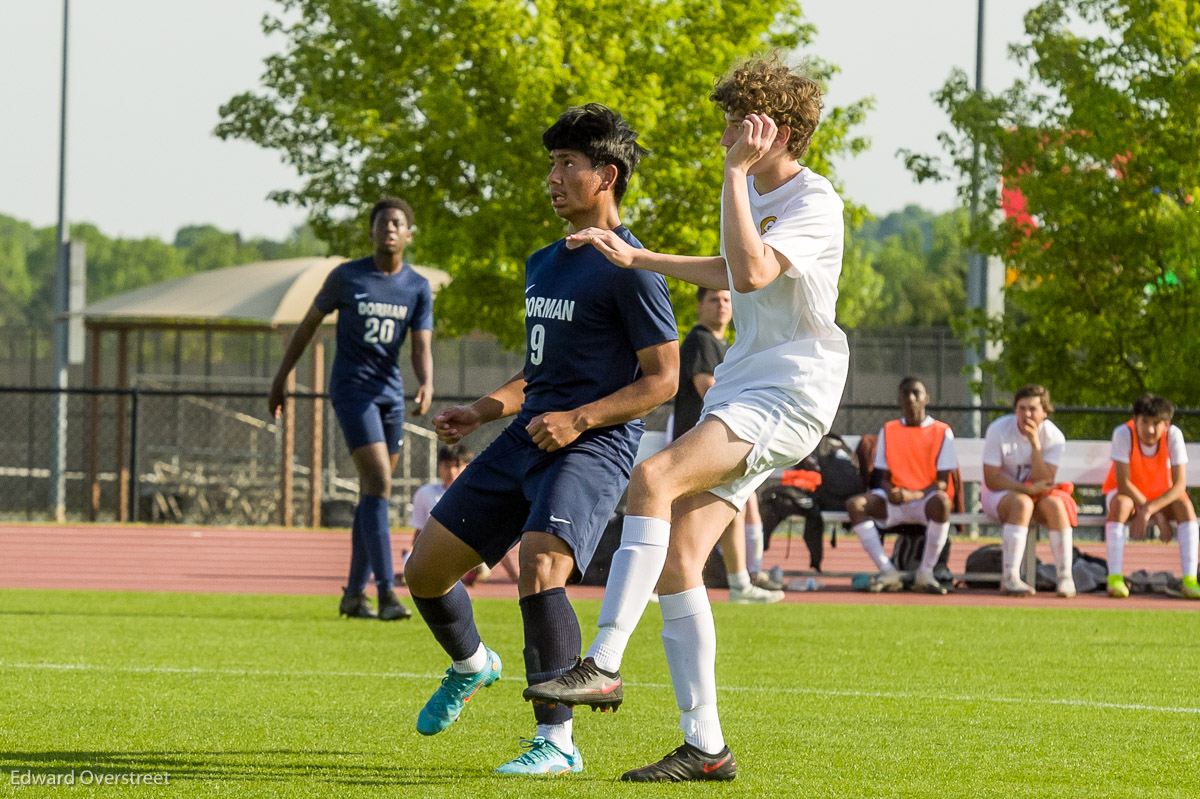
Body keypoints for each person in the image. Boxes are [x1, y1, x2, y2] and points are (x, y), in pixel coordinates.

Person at [525, 53, 849, 782]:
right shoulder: (755, 192)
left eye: (741, 120)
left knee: (653, 476)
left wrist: (735, 173)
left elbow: (757, 272)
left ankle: (603, 661)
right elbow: (731, 266)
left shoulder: (814, 199)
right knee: (677, 557)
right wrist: (635, 257)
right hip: (748, 381)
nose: (728, 132)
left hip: (790, 389)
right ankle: (706, 745)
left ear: (780, 130)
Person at [402, 104, 678, 776]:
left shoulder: (632, 266)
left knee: (540, 564)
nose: (552, 179)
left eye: (567, 165)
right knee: (425, 570)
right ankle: (473, 664)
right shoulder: (544, 263)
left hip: (592, 445)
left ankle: (556, 742)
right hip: (529, 435)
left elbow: (664, 378)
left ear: (605, 175)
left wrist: (580, 420)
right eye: (551, 165)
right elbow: (540, 374)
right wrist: (480, 409)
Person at [268, 196, 432, 622]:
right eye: (382, 222)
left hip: (390, 395)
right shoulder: (347, 277)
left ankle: (353, 594)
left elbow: (421, 345)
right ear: (372, 231)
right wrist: (281, 379)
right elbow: (306, 326)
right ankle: (387, 593)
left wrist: (426, 381)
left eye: (398, 222)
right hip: (352, 390)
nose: (390, 228)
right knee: (378, 480)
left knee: (372, 493)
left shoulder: (416, 286)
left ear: (409, 234)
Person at [675, 287, 782, 603]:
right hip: (701, 440)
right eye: (713, 299)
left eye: (726, 299)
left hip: (720, 440)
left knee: (733, 505)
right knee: (686, 516)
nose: (722, 305)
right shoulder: (700, 340)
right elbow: (707, 388)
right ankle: (659, 584)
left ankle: (739, 584)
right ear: (699, 306)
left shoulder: (728, 346)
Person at [845, 377, 956, 594]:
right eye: (905, 393)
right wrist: (891, 492)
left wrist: (914, 495)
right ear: (899, 400)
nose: (911, 398)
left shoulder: (943, 431)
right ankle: (888, 572)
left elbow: (942, 482)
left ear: (927, 399)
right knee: (855, 505)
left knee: (943, 503)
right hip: (895, 500)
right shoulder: (888, 429)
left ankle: (926, 573)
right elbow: (883, 477)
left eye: (916, 393)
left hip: (925, 500)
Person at [1102, 393, 1200, 599]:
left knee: (1185, 507)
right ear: (1134, 419)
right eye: (1144, 422)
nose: (1150, 429)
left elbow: (1179, 484)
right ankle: (1115, 578)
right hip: (1126, 495)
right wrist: (1156, 515)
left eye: (1156, 423)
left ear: (1167, 423)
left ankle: (1190, 580)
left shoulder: (1173, 435)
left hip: (1159, 498)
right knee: (1120, 504)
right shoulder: (1123, 433)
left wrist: (1150, 511)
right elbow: (1123, 484)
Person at [981, 383, 1075, 598]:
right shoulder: (998, 430)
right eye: (1021, 408)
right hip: (998, 495)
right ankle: (1010, 577)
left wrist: (1035, 444)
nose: (1026, 414)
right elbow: (992, 479)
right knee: (1021, 503)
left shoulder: (1054, 436)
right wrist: (1025, 489)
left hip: (1036, 494)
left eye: (1032, 409)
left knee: (1056, 505)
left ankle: (1065, 577)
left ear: (1044, 412)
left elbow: (1045, 480)